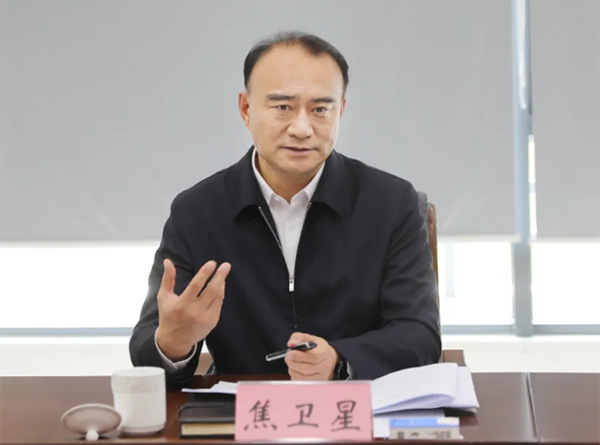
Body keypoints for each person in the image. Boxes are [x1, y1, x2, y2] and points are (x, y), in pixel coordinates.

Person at [129, 31, 441, 384]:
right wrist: (173, 342)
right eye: (283, 107)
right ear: (246, 109)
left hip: (354, 406)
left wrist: (339, 360)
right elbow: (147, 348)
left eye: (320, 109)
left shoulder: (391, 203)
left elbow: (420, 336)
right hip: (241, 409)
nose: (302, 129)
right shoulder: (197, 212)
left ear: (340, 111)